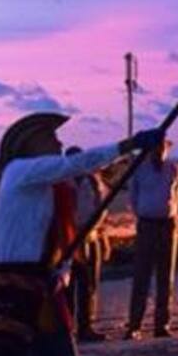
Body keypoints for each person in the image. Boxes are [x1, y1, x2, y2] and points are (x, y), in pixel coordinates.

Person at [0, 111, 161, 356]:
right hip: (12, 295)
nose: (59, 142)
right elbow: (73, 164)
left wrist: (61, 273)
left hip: (42, 293)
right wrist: (129, 145)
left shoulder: (51, 191)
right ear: (30, 145)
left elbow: (57, 242)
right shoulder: (19, 170)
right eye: (51, 138)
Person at [126, 134, 178, 340]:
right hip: (147, 224)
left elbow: (177, 196)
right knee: (142, 275)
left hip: (167, 225)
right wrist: (144, 214)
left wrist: (170, 215)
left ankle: (162, 324)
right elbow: (132, 197)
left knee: (165, 276)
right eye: (156, 147)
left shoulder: (173, 169)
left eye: (162, 147)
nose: (160, 151)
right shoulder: (139, 169)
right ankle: (134, 325)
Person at [66, 147, 108, 343]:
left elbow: (102, 209)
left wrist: (102, 236)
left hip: (91, 237)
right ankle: (66, 328)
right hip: (68, 239)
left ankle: (86, 326)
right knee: (67, 285)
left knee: (89, 283)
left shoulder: (93, 181)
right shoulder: (61, 182)